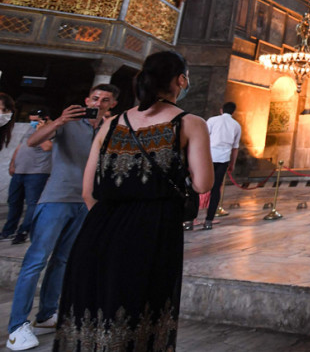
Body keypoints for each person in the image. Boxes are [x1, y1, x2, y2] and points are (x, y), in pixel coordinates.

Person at [52, 51, 213, 352]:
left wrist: (112, 219)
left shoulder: (111, 124)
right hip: (152, 232)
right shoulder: (190, 123)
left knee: (92, 317)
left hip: (98, 229)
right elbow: (203, 183)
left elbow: (88, 191)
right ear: (181, 80)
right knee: (139, 317)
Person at [5, 84, 119, 352]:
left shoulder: (110, 129)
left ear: (111, 105)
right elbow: (33, 142)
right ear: (86, 99)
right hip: (56, 198)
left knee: (62, 260)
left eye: (105, 100)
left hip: (86, 203)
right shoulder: (69, 124)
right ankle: (17, 327)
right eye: (94, 98)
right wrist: (60, 120)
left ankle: (46, 314)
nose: (98, 102)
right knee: (35, 261)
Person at [1, 109, 53, 245]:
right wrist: (12, 163)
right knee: (14, 202)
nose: (33, 122)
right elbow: (20, 147)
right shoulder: (30, 129)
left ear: (45, 118)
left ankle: (23, 231)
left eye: (35, 120)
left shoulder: (51, 130)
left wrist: (40, 131)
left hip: (37, 172)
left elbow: (48, 147)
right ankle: (8, 231)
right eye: (31, 120)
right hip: (20, 171)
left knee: (32, 204)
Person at [189, 101, 241, 231]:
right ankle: (208, 221)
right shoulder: (236, 125)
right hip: (223, 159)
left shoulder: (212, 120)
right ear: (233, 112)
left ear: (221, 110)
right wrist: (232, 164)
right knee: (216, 188)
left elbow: (202, 138)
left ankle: (190, 219)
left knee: (196, 185)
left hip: (208, 157)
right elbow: (235, 148)